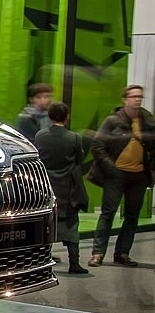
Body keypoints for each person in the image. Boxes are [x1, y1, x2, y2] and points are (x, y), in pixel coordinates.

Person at [87, 84, 155, 267]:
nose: (137, 99)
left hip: (139, 175)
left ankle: (122, 253)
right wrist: (111, 169)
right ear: (125, 99)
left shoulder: (147, 120)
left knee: (132, 216)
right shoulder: (113, 121)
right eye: (133, 96)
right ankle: (98, 253)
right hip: (116, 174)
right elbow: (97, 146)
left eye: (140, 96)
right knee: (108, 213)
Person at [34, 102, 89, 274]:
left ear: (50, 116)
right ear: (67, 116)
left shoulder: (40, 136)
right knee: (71, 225)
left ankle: (41, 261)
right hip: (68, 188)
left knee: (45, 224)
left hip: (46, 186)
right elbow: (79, 161)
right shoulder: (74, 138)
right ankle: (74, 263)